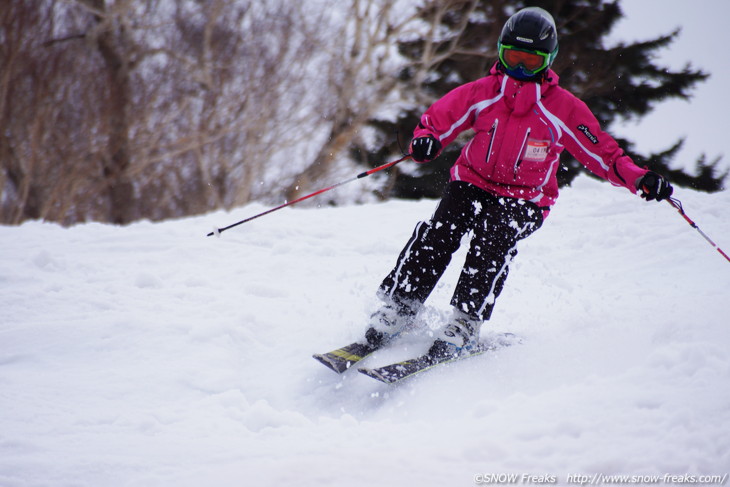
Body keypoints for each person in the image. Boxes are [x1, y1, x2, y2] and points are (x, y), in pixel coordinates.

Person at [362, 6, 673, 359]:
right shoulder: (484, 91)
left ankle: (465, 321)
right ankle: (400, 306)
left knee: (494, 236)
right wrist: (427, 138)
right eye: (513, 57)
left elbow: (603, 154)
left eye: (531, 60)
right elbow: (441, 118)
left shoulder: (563, 108)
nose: (521, 68)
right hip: (473, 181)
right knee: (441, 230)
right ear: (500, 53)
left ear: (548, 60)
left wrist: (639, 179)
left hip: (527, 198)